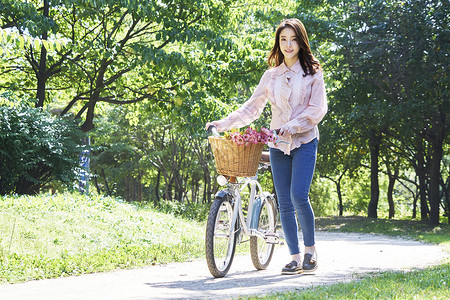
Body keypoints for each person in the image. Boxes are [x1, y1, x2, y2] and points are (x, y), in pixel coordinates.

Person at [205, 18, 327, 275]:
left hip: (305, 141)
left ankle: (310, 251)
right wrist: (225, 123)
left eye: (293, 39)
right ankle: (294, 257)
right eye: (283, 39)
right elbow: (252, 108)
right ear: (278, 42)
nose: (288, 44)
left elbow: (317, 110)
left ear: (301, 41)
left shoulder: (313, 74)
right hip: (278, 144)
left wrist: (292, 126)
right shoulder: (271, 76)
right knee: (284, 201)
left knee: (299, 196)